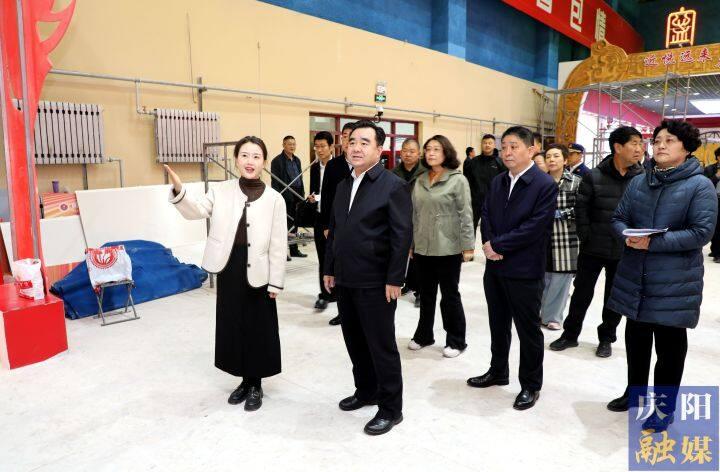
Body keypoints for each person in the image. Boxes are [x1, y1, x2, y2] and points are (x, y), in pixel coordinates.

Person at [605, 120, 717, 433]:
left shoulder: (700, 185)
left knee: (669, 347)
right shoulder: (640, 181)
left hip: (674, 281)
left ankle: (664, 410)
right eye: (657, 140)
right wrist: (626, 234)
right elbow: (618, 218)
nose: (661, 145)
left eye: (669, 140)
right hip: (636, 275)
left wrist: (652, 243)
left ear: (687, 147)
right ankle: (635, 394)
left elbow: (701, 232)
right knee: (636, 340)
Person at [166, 136, 287, 412]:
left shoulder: (275, 199)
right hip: (229, 266)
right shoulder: (220, 191)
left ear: (264, 162)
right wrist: (179, 190)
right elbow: (197, 211)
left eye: (256, 156)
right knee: (233, 325)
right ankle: (243, 380)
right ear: (235, 160)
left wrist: (276, 282)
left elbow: (279, 244)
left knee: (258, 328)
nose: (249, 161)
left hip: (260, 270)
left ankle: (256, 384)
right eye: (244, 155)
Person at [323, 120, 412, 436]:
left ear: (379, 149)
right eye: (352, 142)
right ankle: (366, 391)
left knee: (381, 346)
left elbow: (402, 236)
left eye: (364, 142)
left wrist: (395, 279)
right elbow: (335, 230)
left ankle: (391, 408)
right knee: (355, 341)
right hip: (346, 278)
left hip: (376, 282)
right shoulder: (344, 184)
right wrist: (329, 268)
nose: (356, 148)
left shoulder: (392, 185)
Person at [467, 126, 557, 411]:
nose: (506, 152)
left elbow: (535, 226)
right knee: (498, 323)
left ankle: (530, 385)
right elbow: (486, 214)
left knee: (528, 330)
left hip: (524, 269)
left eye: (513, 146)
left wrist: (498, 245)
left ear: (531, 150)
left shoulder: (543, 184)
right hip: (495, 267)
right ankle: (498, 371)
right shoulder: (498, 181)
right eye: (504, 146)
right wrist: (488, 244)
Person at [549, 126, 644, 358]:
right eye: (634, 143)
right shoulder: (594, 175)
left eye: (641, 144)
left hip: (624, 249)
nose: (639, 149)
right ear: (618, 147)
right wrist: (586, 236)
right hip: (593, 248)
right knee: (581, 293)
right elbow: (581, 209)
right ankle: (570, 334)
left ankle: (606, 338)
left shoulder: (642, 178)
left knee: (614, 296)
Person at [408, 135, 474, 358]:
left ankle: (456, 340)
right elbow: (414, 214)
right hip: (423, 247)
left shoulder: (458, 180)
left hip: (448, 247)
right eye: (428, 149)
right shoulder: (420, 179)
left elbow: (466, 214)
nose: (431, 153)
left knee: (449, 296)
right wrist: (411, 243)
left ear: (446, 152)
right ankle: (424, 335)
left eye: (436, 149)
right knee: (426, 294)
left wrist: (468, 246)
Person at [540, 144, 581, 330]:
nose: (551, 159)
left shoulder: (576, 182)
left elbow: (582, 208)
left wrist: (561, 214)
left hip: (565, 236)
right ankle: (539, 313)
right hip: (541, 236)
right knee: (542, 276)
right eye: (548, 156)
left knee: (561, 279)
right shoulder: (539, 182)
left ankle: (553, 317)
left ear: (565, 160)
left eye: (556, 156)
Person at [319, 122, 355, 325]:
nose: (348, 140)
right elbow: (326, 196)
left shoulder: (364, 165)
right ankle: (343, 312)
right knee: (338, 267)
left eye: (351, 135)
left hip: (358, 226)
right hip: (337, 224)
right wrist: (326, 225)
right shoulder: (333, 165)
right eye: (345, 136)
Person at [392, 138, 425, 307]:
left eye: (412, 151)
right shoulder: (393, 173)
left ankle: (420, 291)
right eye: (405, 150)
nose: (408, 154)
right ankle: (407, 283)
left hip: (421, 219)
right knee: (401, 252)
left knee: (418, 255)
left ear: (419, 154)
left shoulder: (426, 172)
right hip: (400, 218)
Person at [309, 131, 335, 310]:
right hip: (319, 218)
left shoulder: (339, 167)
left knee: (337, 258)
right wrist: (313, 198)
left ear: (331, 147)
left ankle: (338, 292)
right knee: (322, 257)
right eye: (316, 147)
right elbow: (316, 191)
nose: (319, 150)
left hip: (335, 220)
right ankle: (325, 294)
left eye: (323, 146)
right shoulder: (314, 167)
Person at [271, 135, 307, 259]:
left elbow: (300, 178)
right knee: (284, 224)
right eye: (289, 144)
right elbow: (275, 182)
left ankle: (294, 249)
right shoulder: (277, 161)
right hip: (285, 195)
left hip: (297, 195)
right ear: (283, 145)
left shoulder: (297, 160)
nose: (292, 146)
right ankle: (282, 252)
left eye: (294, 144)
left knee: (295, 223)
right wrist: (278, 197)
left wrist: (302, 195)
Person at [465, 134, 505, 235]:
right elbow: (467, 181)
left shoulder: (500, 163)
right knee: (470, 228)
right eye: (485, 143)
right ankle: (470, 245)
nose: (487, 145)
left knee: (489, 230)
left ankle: (489, 245)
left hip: (493, 202)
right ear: (481, 144)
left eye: (490, 143)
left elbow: (504, 183)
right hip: (475, 202)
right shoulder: (474, 162)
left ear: (494, 145)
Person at [703, 147, 720, 262]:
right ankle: (716, 251)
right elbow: (705, 184)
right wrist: (717, 176)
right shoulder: (710, 169)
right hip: (715, 200)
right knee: (716, 227)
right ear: (718, 157)